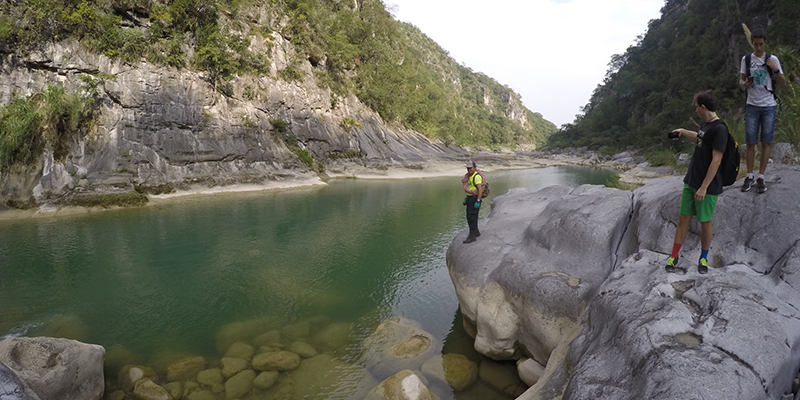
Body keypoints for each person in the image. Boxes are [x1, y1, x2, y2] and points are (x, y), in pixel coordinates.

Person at [665, 90, 728, 274]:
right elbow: (700, 138)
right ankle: (674, 256)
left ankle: (703, 258)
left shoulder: (720, 129)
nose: (695, 110)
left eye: (696, 107)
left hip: (707, 186)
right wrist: (683, 132)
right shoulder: (706, 125)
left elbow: (717, 160)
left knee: (705, 222)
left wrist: (704, 187)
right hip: (691, 180)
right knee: (683, 218)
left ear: (703, 107)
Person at [738, 28, 787, 193]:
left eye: (761, 44)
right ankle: (749, 175)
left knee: (766, 142)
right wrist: (744, 84)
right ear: (752, 43)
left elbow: (783, 83)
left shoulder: (773, 59)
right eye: (755, 44)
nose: (758, 47)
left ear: (765, 43)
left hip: (768, 105)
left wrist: (775, 69)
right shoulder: (746, 59)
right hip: (752, 104)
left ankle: (761, 177)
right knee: (750, 142)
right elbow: (741, 79)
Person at [462, 160, 484, 244]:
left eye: (470, 168)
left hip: (474, 198)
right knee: (470, 216)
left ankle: (472, 236)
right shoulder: (470, 176)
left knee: (472, 217)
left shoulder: (476, 176)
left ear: (475, 168)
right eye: (467, 168)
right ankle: (476, 232)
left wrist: (478, 201)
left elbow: (479, 189)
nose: (469, 170)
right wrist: (466, 198)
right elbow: (471, 189)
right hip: (470, 198)